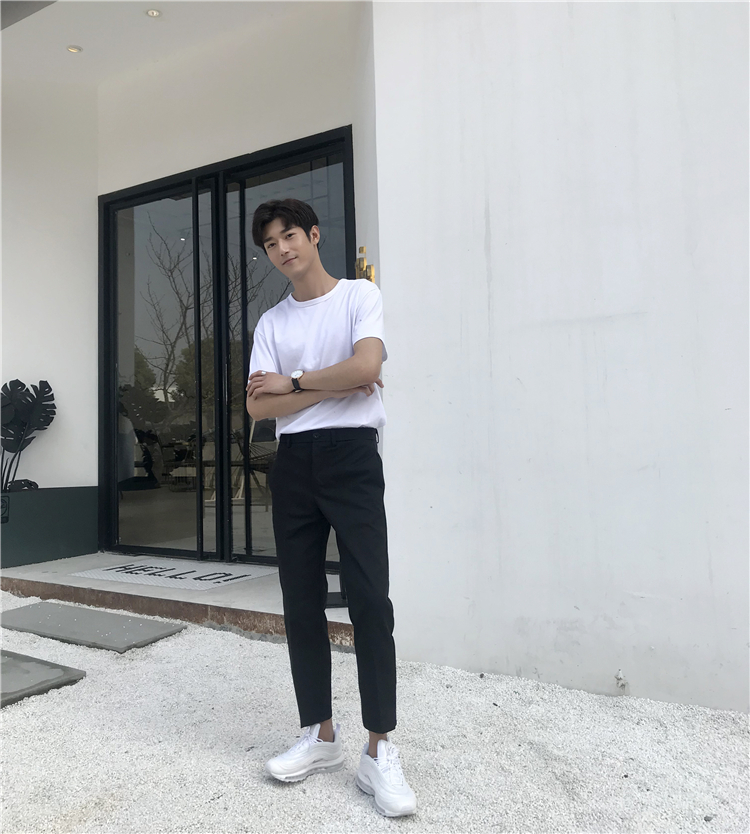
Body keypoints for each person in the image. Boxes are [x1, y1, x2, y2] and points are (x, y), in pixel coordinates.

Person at [245, 198, 416, 818]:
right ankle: (319, 734)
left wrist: (294, 383)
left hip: (351, 458)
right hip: (293, 464)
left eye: (290, 235)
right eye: (271, 244)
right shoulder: (271, 323)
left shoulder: (358, 297)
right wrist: (334, 382)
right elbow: (258, 408)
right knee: (301, 600)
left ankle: (379, 749)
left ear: (314, 235)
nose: (282, 249)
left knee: (370, 597)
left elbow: (368, 365)